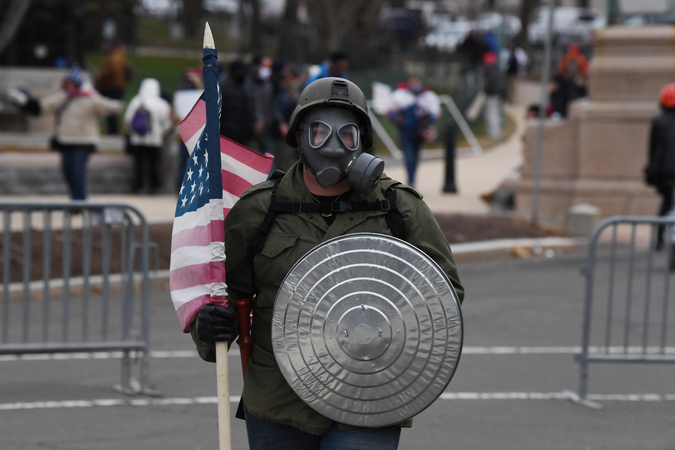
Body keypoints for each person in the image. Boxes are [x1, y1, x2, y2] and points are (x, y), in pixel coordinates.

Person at [189, 78, 464, 449]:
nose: (332, 146)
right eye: (319, 132)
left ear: (363, 142)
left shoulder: (398, 208)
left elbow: (443, 291)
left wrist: (388, 323)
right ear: (300, 138)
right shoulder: (261, 210)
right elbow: (223, 292)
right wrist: (210, 326)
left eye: (347, 135)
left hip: (370, 393)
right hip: (278, 397)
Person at [6, 65, 123, 200]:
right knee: (67, 172)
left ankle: (78, 202)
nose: (69, 85)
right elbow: (42, 107)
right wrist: (25, 101)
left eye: (71, 82)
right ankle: (76, 198)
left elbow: (103, 105)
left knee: (77, 172)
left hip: (84, 141)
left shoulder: (90, 97)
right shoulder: (64, 96)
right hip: (66, 140)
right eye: (67, 82)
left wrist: (112, 106)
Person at [388, 75, 441, 187]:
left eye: (416, 81)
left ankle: (412, 179)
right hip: (406, 132)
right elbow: (390, 112)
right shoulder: (400, 95)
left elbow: (436, 113)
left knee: (415, 157)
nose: (414, 83)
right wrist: (397, 118)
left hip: (420, 132)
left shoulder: (427, 95)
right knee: (409, 156)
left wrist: (429, 120)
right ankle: (411, 180)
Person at [123, 78, 173, 194]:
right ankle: (154, 188)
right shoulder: (161, 103)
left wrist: (132, 133)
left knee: (138, 165)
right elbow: (167, 123)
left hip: (138, 139)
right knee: (154, 164)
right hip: (155, 140)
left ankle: (138, 187)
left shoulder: (136, 101)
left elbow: (128, 120)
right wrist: (160, 133)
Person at [645, 83, 675, 250]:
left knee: (666, 203)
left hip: (663, 172)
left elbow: (652, 148)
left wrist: (651, 171)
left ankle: (659, 239)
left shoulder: (658, 121)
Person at [95, 42, 133, 135]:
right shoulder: (119, 56)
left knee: (111, 110)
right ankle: (113, 130)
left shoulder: (114, 58)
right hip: (117, 86)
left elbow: (110, 71)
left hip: (112, 87)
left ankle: (113, 131)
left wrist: (100, 76)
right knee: (112, 110)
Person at [219, 59, 256, 147]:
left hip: (244, 134)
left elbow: (250, 108)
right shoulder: (224, 87)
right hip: (227, 134)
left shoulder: (247, 87)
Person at [248, 55, 275, 154]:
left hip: (266, 128)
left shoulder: (267, 84)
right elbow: (252, 103)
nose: (267, 69)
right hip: (252, 130)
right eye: (265, 66)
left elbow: (270, 104)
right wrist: (257, 120)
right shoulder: (249, 83)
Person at [482, 51, 503, 140]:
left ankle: (494, 134)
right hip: (494, 94)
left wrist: (486, 90)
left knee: (492, 114)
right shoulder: (494, 69)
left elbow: (491, 84)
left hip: (492, 95)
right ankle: (494, 133)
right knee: (492, 113)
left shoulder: (492, 70)